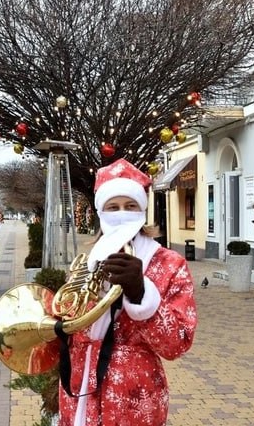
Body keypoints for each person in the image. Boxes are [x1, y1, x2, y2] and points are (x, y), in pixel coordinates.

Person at [57, 158, 197, 426]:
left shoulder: (169, 263)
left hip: (134, 395)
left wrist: (141, 293)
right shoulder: (89, 260)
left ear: (142, 211)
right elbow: (73, 321)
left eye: (130, 206)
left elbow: (177, 343)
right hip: (80, 386)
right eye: (113, 207)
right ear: (101, 213)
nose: (121, 213)